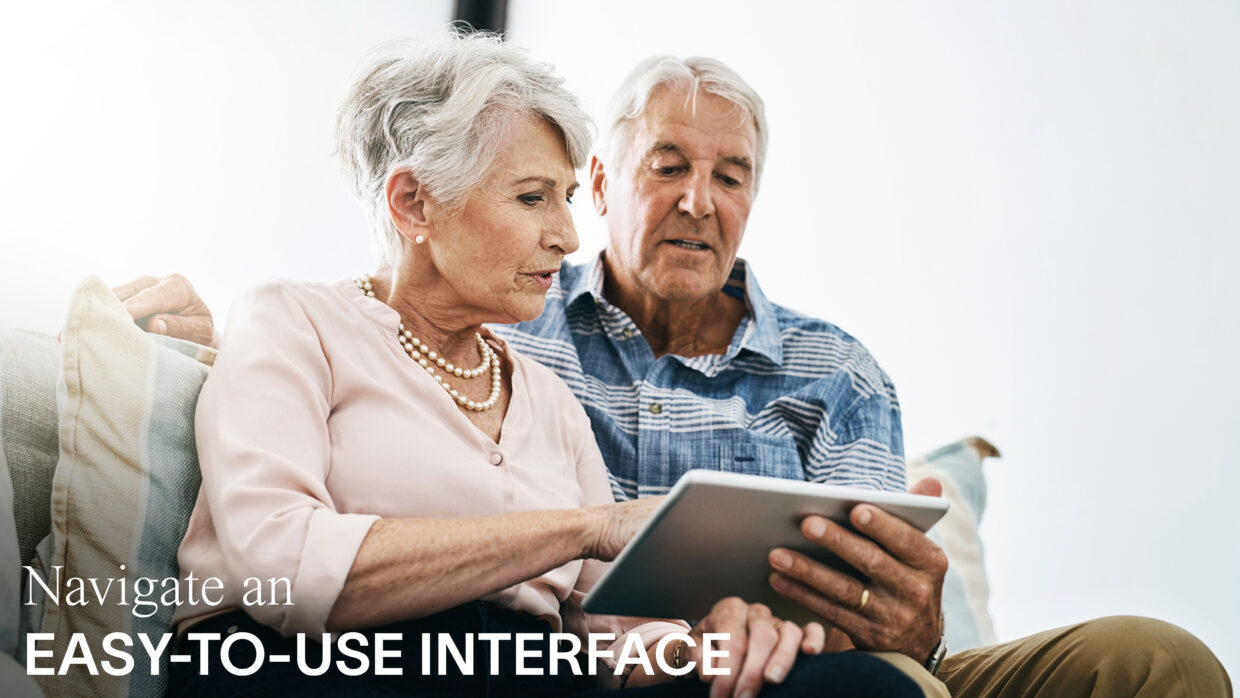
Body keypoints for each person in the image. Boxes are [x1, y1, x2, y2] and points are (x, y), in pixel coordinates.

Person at [125, 53, 1231, 697]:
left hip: (779, 658)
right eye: (665, 168)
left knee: (1137, 662)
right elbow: (279, 535)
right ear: (609, 179)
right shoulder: (407, 321)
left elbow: (588, 629)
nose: (698, 200)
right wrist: (590, 530)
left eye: (730, 175)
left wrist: (756, 635)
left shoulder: (815, 371)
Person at [165, 32, 923, 698]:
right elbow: (285, 570)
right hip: (323, 667)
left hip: (532, 675)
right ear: (414, 204)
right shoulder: (294, 322)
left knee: (860, 687)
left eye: (563, 198)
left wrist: (706, 644)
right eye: (533, 198)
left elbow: (612, 638)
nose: (566, 236)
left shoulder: (546, 396)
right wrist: (583, 528)